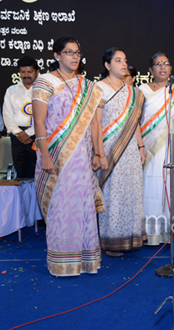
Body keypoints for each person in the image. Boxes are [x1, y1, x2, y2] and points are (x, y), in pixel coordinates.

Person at [32, 37, 104, 276]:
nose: (74, 57)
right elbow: (39, 122)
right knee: (60, 208)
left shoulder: (87, 86)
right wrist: (45, 156)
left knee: (82, 207)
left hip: (82, 160)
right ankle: (62, 263)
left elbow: (94, 123)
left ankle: (85, 261)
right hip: (56, 155)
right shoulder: (45, 82)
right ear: (56, 55)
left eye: (77, 53)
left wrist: (97, 152)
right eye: (69, 52)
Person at [95, 48, 146, 257]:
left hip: (131, 150)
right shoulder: (99, 88)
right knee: (112, 195)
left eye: (125, 60)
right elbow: (95, 125)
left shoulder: (132, 92)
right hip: (109, 149)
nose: (123, 64)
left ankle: (131, 238)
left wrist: (141, 147)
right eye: (118, 60)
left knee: (132, 193)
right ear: (107, 65)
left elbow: (135, 124)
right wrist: (99, 153)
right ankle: (111, 241)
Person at [139, 52, 174, 245]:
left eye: (166, 64)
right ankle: (149, 233)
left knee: (167, 186)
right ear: (150, 70)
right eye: (158, 64)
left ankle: (170, 231)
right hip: (148, 146)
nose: (162, 67)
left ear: (171, 68)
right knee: (149, 186)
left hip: (169, 147)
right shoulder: (141, 90)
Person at [2, 56, 39, 178]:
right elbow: (7, 114)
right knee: (20, 171)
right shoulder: (11, 90)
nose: (26, 75)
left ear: (37, 72)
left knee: (37, 171)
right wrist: (19, 133)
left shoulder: (43, 90)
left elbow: (47, 115)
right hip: (17, 137)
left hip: (37, 135)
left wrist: (29, 133)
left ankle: (36, 197)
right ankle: (22, 197)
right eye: (23, 72)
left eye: (29, 72)